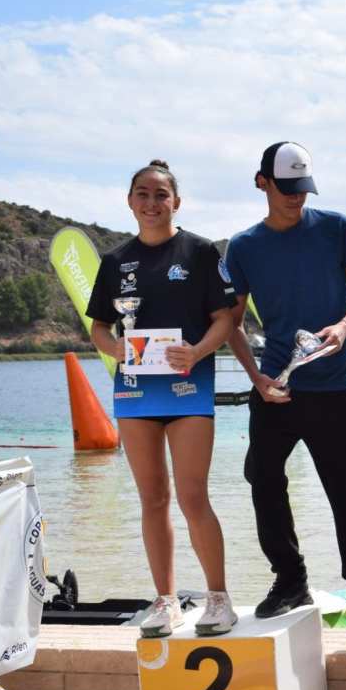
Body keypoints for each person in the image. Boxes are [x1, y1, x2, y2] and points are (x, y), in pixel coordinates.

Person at [224, 141, 346, 651]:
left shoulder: (338, 227)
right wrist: (256, 377)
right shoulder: (243, 247)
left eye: (303, 189)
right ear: (262, 183)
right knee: (262, 479)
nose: (296, 198)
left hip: (341, 390)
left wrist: (344, 325)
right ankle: (290, 579)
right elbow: (231, 320)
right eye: (286, 188)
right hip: (279, 389)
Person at [87, 160, 237, 638]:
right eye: (143, 194)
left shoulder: (198, 252)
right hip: (135, 391)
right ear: (130, 201)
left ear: (177, 201)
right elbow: (98, 327)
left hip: (189, 387)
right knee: (153, 498)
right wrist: (118, 353)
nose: (152, 203)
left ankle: (219, 599)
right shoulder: (114, 262)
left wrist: (195, 350)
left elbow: (225, 320)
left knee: (193, 497)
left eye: (161, 195)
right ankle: (166, 600)